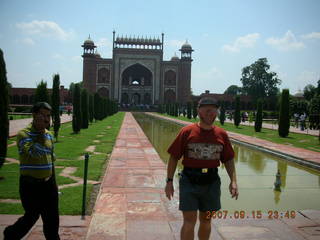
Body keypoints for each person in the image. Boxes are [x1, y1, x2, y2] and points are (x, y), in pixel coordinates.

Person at [165, 97, 239, 240]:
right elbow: (174, 157)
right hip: (189, 181)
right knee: (189, 220)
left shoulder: (221, 134)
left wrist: (233, 181)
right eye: (207, 110)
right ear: (199, 111)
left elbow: (228, 159)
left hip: (211, 182)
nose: (210, 114)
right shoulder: (187, 132)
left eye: (213, 111)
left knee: (206, 220)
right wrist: (169, 181)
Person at [4, 102, 60, 240]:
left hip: (48, 185)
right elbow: (35, 152)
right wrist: (40, 132)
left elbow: (50, 159)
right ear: (34, 115)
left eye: (48, 116)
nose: (47, 119)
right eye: (43, 115)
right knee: (31, 216)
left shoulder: (49, 135)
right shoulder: (24, 134)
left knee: (52, 220)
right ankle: (10, 234)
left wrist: (53, 183)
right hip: (30, 186)